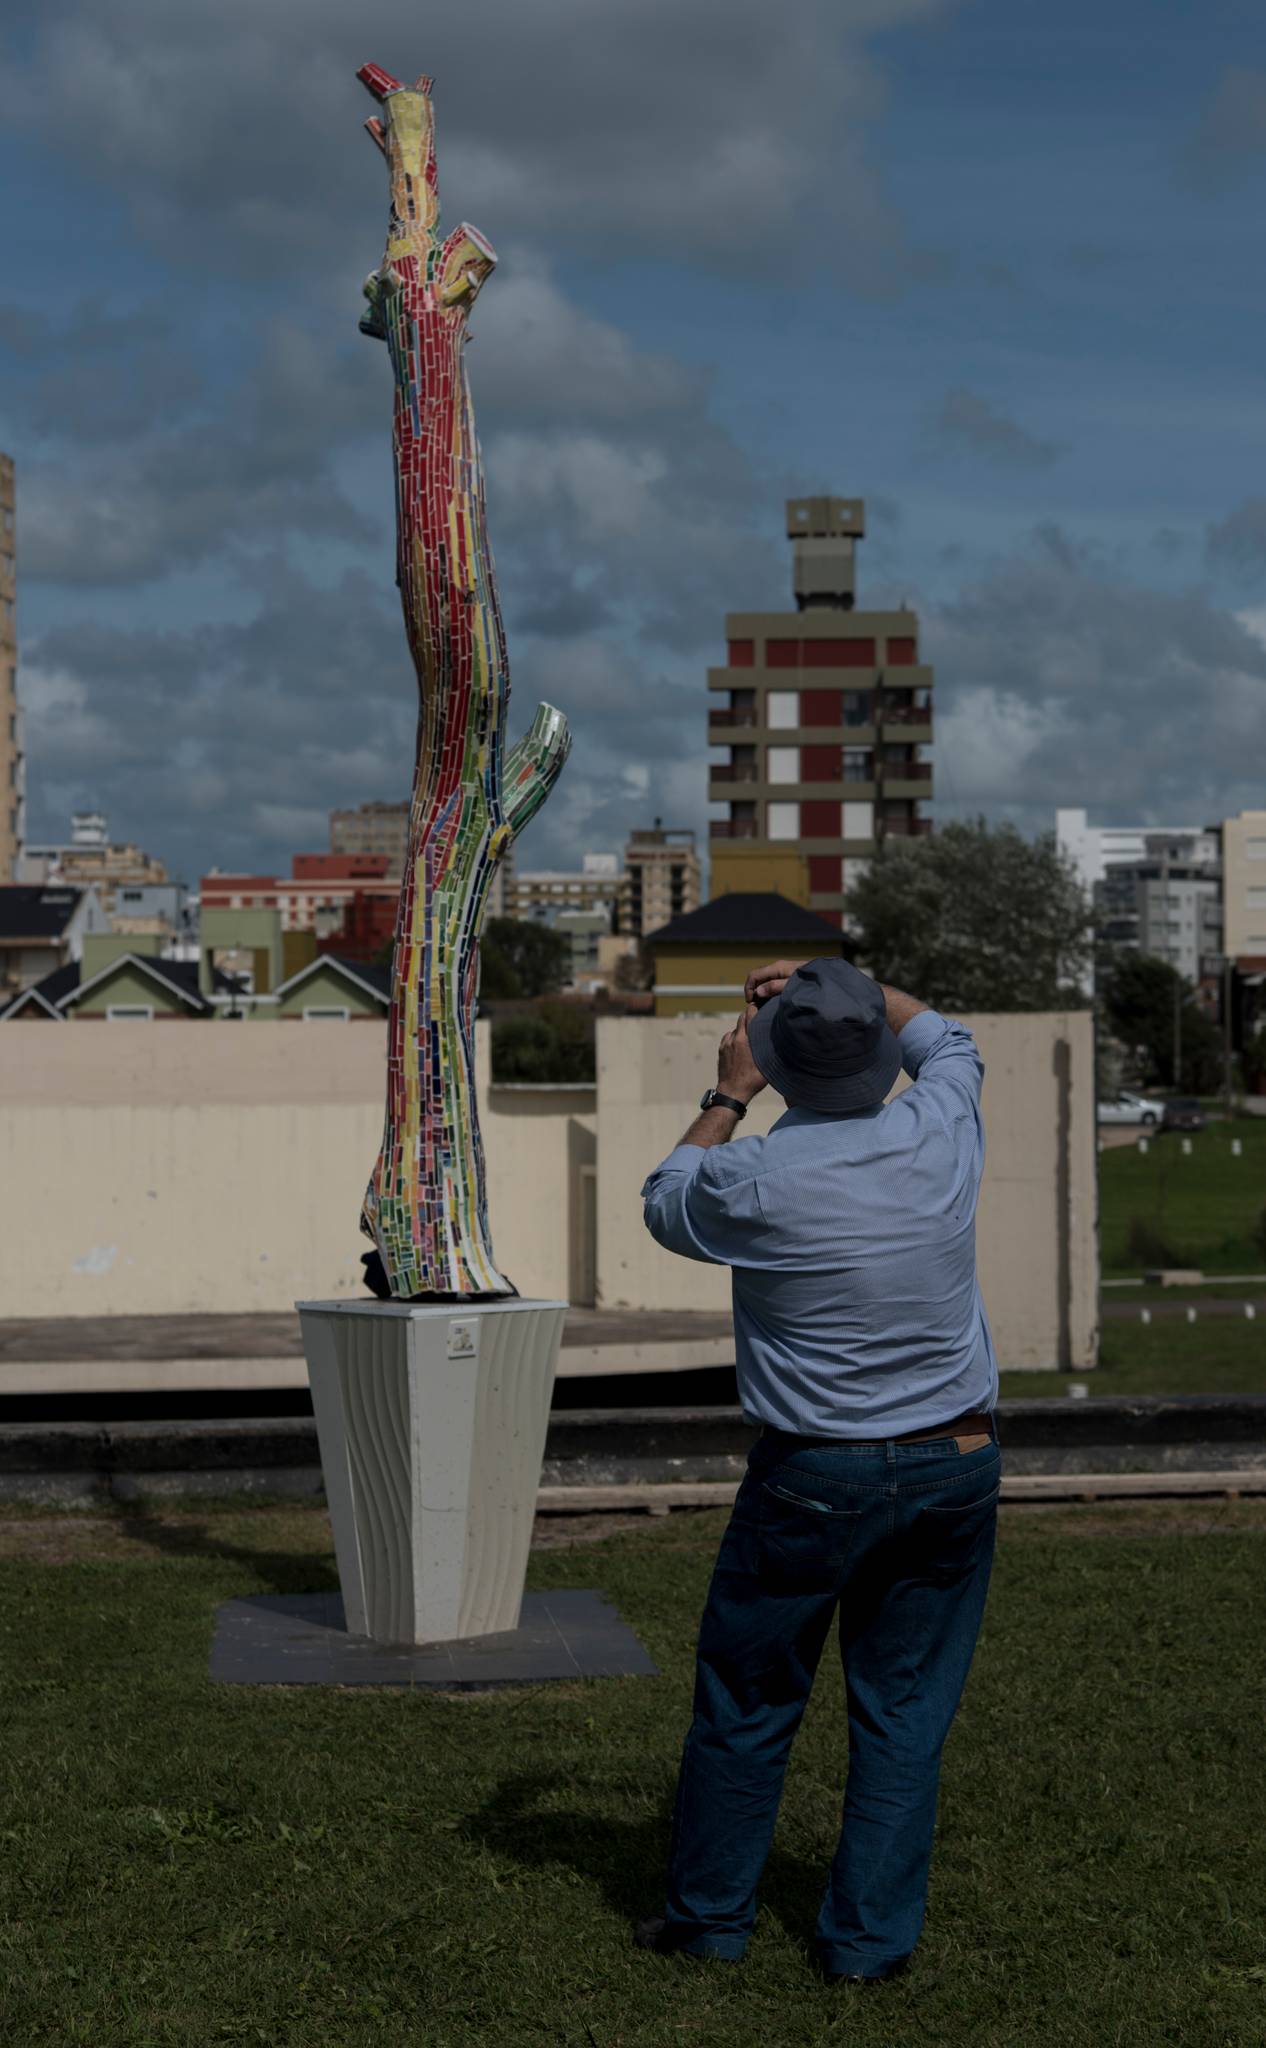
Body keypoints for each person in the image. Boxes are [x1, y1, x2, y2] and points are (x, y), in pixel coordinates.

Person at [635, 955, 1000, 1985]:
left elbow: (665, 1197)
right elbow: (948, 1035)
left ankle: (708, 1920)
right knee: (903, 1710)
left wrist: (727, 1091)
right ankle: (868, 1944)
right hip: (956, 1459)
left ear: (775, 1061)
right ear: (879, 1054)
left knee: (749, 1698)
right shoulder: (942, 1128)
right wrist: (840, 982)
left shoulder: (749, 1177)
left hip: (811, 1475)